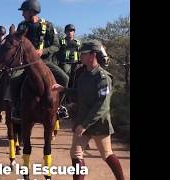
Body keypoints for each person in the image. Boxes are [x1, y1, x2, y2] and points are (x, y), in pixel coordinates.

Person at [52, 40, 125, 180]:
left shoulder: (104, 78)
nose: (80, 56)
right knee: (76, 154)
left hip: (98, 124)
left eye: (83, 54)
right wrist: (64, 89)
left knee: (107, 154)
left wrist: (84, 125)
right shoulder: (83, 74)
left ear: (92, 55)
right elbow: (80, 94)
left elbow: (102, 106)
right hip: (82, 122)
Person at [11, 0, 69, 119]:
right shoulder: (22, 26)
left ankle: (58, 106)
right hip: (26, 63)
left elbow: (56, 45)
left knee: (64, 78)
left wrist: (43, 51)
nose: (22, 14)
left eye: (24, 12)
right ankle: (17, 107)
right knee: (13, 79)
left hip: (45, 62)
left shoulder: (48, 25)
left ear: (32, 11)